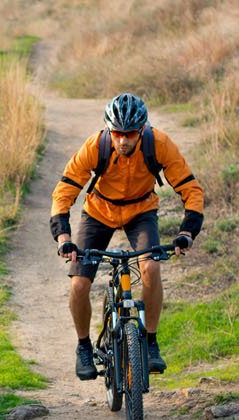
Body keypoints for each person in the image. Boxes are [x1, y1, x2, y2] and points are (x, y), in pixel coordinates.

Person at [49, 93, 204, 380]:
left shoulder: (159, 144)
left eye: (130, 134)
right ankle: (83, 346)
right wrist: (63, 237)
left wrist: (187, 232)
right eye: (117, 133)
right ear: (109, 130)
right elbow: (65, 191)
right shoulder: (96, 146)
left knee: (151, 267)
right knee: (80, 283)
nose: (123, 140)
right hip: (98, 212)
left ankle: (150, 343)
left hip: (140, 211)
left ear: (142, 129)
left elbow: (191, 190)